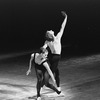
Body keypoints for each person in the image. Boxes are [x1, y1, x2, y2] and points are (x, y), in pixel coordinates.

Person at [42, 11, 68, 92]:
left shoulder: (48, 41)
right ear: (50, 34)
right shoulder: (57, 37)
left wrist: (43, 51)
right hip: (56, 57)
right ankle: (42, 85)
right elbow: (62, 26)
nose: (51, 29)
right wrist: (66, 17)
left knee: (56, 72)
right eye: (50, 30)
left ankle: (58, 86)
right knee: (51, 72)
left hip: (52, 57)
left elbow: (44, 47)